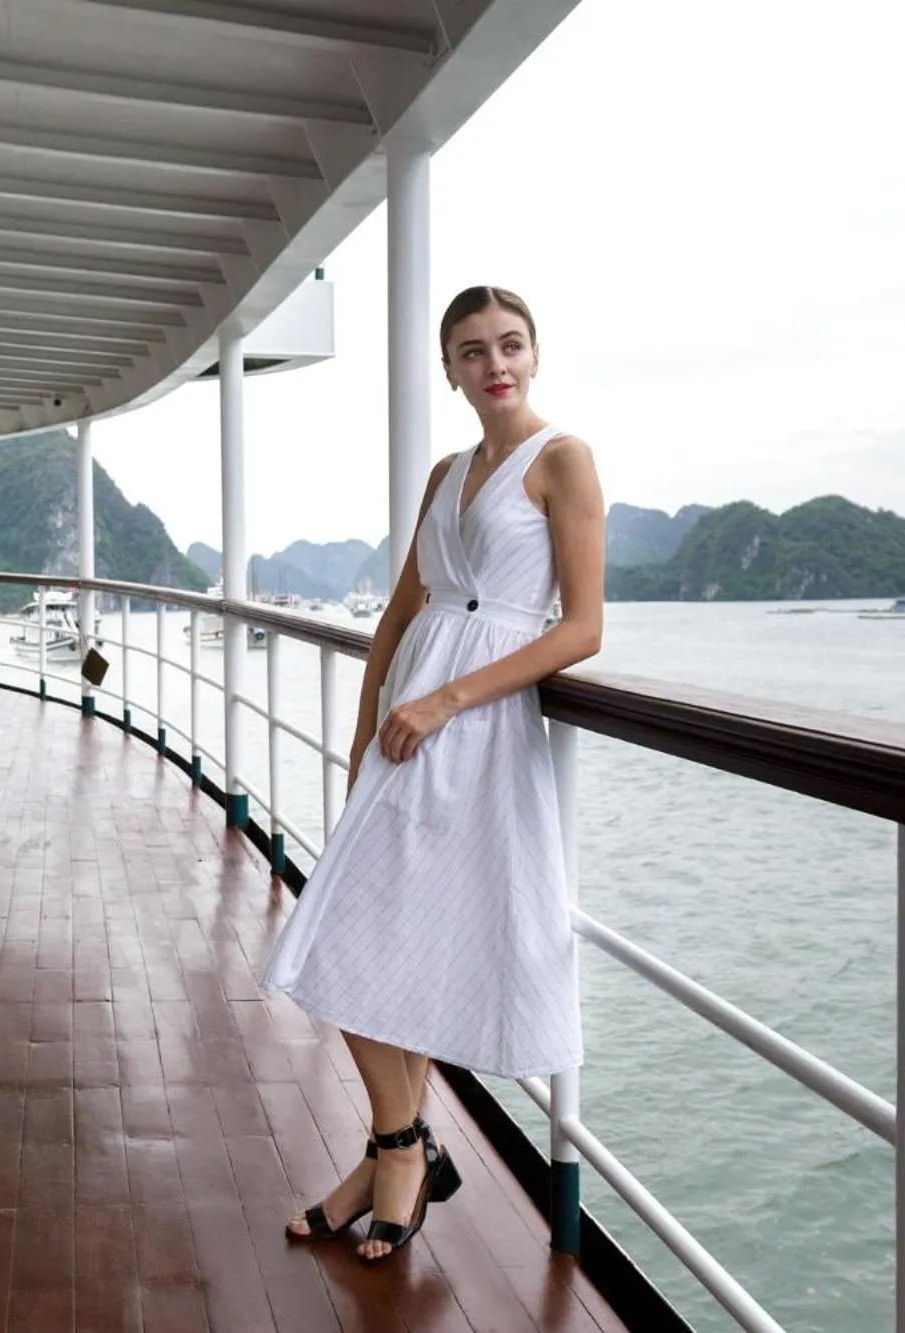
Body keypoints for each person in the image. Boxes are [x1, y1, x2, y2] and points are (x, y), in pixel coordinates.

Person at [261, 285, 606, 1260]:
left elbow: (579, 627)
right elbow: (400, 613)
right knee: (358, 930)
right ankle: (400, 1146)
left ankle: (394, 1156)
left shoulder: (562, 461)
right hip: (407, 728)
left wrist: (448, 700)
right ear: (449, 369)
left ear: (533, 353)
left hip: (476, 730)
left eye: (508, 344)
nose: (492, 363)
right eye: (470, 350)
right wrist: (363, 731)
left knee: (382, 936)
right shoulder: (445, 473)